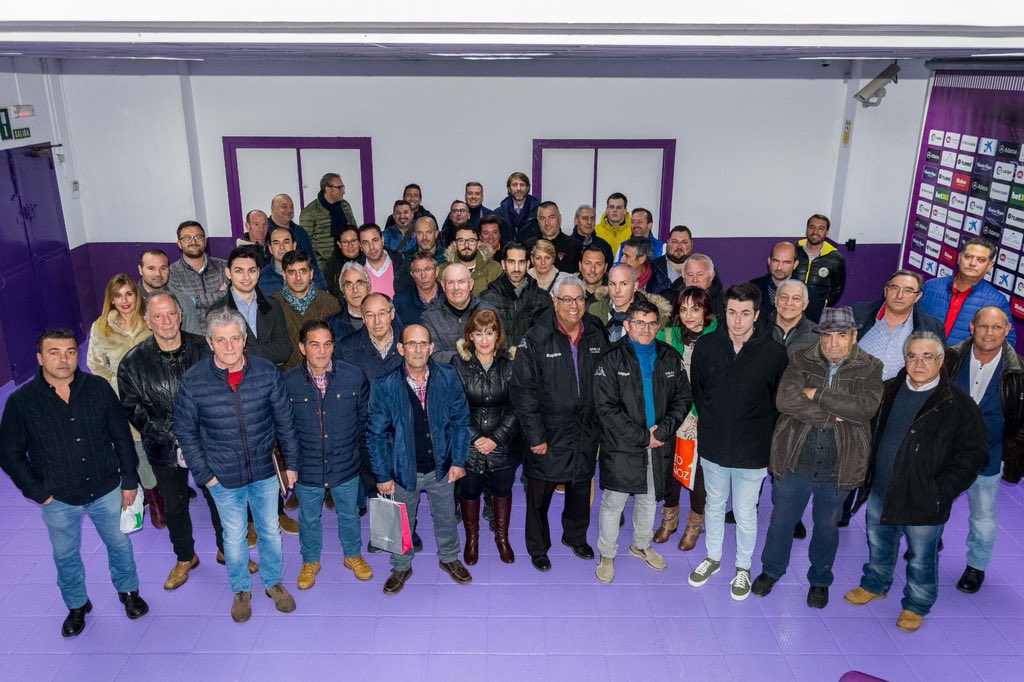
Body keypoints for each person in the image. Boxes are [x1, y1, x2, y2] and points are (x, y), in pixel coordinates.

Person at [0, 328, 149, 637]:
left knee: (119, 544)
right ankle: (77, 605)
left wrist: (129, 480)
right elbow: (9, 453)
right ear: (40, 358)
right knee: (65, 555)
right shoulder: (21, 402)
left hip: (106, 487)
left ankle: (129, 592)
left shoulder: (97, 388)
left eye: (69, 351)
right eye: (54, 353)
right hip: (59, 498)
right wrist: (37, 492)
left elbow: (122, 437)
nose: (64, 359)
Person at [845, 331, 987, 632]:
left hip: (925, 500)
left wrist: (941, 491)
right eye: (912, 355)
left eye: (928, 356)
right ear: (905, 358)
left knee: (922, 558)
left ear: (941, 361)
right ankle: (875, 584)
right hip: (882, 490)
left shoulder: (958, 403)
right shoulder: (889, 389)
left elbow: (973, 455)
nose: (919, 363)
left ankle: (916, 604)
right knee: (879, 544)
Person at [173, 308, 302, 623]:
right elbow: (185, 431)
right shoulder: (194, 381)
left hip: (264, 471)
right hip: (222, 476)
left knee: (270, 530)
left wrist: (291, 464)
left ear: (244, 340)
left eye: (235, 338)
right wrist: (206, 476)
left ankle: (272, 583)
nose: (229, 346)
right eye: (221, 340)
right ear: (210, 342)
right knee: (233, 536)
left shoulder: (266, 371)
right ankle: (241, 589)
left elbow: (285, 420)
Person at [118, 293, 252, 590]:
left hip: (209, 441)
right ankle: (184, 557)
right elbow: (133, 408)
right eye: (158, 316)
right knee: (175, 507)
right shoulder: (132, 363)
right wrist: (175, 435)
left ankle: (227, 550)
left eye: (171, 314)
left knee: (220, 500)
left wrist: (197, 434)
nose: (166, 321)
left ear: (180, 314)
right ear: (147, 320)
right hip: (163, 447)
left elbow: (226, 388)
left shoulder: (204, 349)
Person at [752, 307, 884, 609]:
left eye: (841, 336)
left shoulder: (870, 367)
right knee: (781, 522)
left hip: (840, 467)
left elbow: (864, 408)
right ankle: (771, 570)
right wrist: (829, 417)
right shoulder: (800, 359)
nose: (833, 343)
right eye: (827, 336)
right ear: (819, 336)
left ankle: (820, 580)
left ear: (854, 336)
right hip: (794, 459)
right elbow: (785, 399)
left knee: (826, 528)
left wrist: (816, 393)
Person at [687, 283, 787, 600]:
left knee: (745, 513)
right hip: (714, 445)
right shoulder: (706, 347)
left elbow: (776, 401)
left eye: (745, 313)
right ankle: (713, 558)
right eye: (731, 312)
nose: (737, 320)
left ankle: (743, 568)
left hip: (752, 450)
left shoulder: (773, 353)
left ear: (756, 315)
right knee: (713, 506)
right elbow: (699, 393)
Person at [510, 276, 610, 572]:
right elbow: (522, 391)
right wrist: (535, 435)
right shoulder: (535, 338)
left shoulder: (595, 331)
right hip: (547, 434)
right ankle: (538, 548)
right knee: (539, 496)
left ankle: (576, 537)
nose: (574, 306)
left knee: (580, 489)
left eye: (579, 299)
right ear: (554, 301)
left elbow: (606, 380)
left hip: (585, 430)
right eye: (566, 299)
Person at [368, 324, 473, 595]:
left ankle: (449, 557)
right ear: (400, 348)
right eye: (411, 344)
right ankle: (401, 565)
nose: (417, 349)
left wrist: (459, 461)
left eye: (422, 343)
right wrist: (383, 475)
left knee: (447, 517)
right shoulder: (385, 386)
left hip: (442, 467)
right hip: (404, 470)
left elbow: (461, 421)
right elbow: (376, 435)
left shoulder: (448, 377)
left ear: (431, 347)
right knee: (401, 521)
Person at [593, 300, 692, 583]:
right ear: (626, 325)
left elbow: (683, 398)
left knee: (649, 499)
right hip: (623, 444)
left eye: (651, 323)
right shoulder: (611, 359)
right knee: (614, 502)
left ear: (658, 327)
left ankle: (640, 544)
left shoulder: (669, 356)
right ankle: (607, 553)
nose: (645, 329)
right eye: (638, 323)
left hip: (659, 443)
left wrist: (661, 432)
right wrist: (641, 436)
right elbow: (606, 407)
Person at [284, 320, 373, 589]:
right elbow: (283, 427)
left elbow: (364, 420)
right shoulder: (287, 383)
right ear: (302, 348)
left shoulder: (353, 376)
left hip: (345, 463)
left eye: (327, 344)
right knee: (309, 517)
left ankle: (352, 555)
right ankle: (310, 560)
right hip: (307, 466)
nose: (322, 351)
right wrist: (291, 464)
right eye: (314, 344)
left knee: (349, 513)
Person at [942, 307, 1024, 594]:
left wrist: (1005, 451)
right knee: (934, 502)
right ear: (972, 327)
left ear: (1007, 330)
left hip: (988, 458)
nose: (989, 333)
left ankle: (975, 567)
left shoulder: (1019, 372)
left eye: (997, 327)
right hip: (945, 453)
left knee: (984, 516)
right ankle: (926, 545)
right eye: (984, 326)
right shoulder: (948, 358)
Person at [86, 274, 162, 527]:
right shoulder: (101, 327)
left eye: (129, 294)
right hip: (122, 401)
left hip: (155, 397)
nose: (124, 300)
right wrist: (117, 388)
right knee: (137, 448)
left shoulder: (149, 320)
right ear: (111, 299)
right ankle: (155, 501)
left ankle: (168, 491)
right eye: (118, 296)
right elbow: (96, 365)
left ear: (136, 294)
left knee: (161, 445)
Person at [453, 310, 522, 565]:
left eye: (489, 333)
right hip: (468, 444)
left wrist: (495, 438)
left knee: (503, 490)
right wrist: (475, 438)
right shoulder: (457, 363)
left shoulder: (511, 363)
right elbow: (454, 406)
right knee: (469, 491)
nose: (484, 340)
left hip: (503, 443)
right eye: (479, 333)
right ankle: (472, 539)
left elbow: (518, 406)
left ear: (498, 335)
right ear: (470, 335)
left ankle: (501, 538)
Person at [653, 286, 719, 550]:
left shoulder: (719, 339)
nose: (689, 315)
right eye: (683, 309)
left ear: (706, 311)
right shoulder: (667, 336)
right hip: (672, 416)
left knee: (697, 475)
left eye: (695, 308)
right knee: (670, 469)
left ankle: (694, 524)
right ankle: (669, 520)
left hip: (703, 419)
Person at [918, 237, 1015, 346]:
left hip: (961, 361)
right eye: (968, 257)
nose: (973, 263)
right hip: (922, 357)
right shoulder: (930, 287)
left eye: (981, 260)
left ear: (989, 266)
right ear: (959, 258)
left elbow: (1008, 342)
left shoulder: (997, 301)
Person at [854, 269, 944, 380]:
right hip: (854, 391)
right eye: (894, 288)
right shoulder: (858, 314)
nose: (899, 295)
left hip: (896, 395)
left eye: (908, 290)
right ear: (886, 291)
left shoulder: (931, 328)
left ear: (918, 296)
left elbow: (934, 370)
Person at [211, 246, 292, 368]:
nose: (246, 277)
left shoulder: (272, 305)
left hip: (271, 376)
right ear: (228, 273)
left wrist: (246, 352)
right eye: (239, 271)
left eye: (252, 270)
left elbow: (284, 350)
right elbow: (218, 355)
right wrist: (266, 351)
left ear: (258, 272)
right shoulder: (217, 310)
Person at [273, 250, 341, 370]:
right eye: (292, 272)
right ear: (284, 275)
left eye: (303, 271)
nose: (298, 278)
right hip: (287, 376)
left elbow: (337, 344)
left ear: (311, 273)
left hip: (324, 373)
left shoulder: (329, 302)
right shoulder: (273, 304)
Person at [479, 241, 552, 347]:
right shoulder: (486, 299)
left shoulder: (543, 299)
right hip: (498, 360)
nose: (516, 268)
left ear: (527, 265)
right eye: (511, 262)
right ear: (503, 264)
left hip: (531, 361)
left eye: (521, 262)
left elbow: (547, 338)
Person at [421, 262, 495, 364]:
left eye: (461, 281)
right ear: (443, 286)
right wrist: (471, 356)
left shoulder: (488, 312)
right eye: (450, 282)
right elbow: (433, 355)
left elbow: (499, 347)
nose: (456, 287)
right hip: (448, 377)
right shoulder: (430, 317)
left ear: (471, 284)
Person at [587, 264, 671, 342]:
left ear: (635, 286)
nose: (617, 290)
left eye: (623, 284)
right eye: (612, 284)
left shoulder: (655, 316)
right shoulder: (595, 310)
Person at [167, 220, 228, 327]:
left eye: (198, 237)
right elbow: (181, 306)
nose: (193, 242)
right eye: (187, 238)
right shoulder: (172, 273)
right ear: (179, 244)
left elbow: (230, 296)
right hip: (192, 336)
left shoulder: (223, 266)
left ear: (205, 241)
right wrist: (218, 294)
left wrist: (194, 300)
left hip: (224, 332)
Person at [751, 242, 824, 323]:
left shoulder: (808, 294)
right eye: (775, 261)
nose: (779, 267)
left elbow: (813, 329)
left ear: (795, 264)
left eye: (786, 262)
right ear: (769, 261)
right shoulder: (753, 289)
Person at [137, 248, 200, 335]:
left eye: (163, 268)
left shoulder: (183, 301)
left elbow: (194, 338)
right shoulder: (128, 302)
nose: (158, 274)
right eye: (151, 268)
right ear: (140, 270)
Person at [299, 172, 357, 264]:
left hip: (348, 260)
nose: (343, 191)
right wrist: (318, 265)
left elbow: (354, 230)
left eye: (343, 187)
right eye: (339, 188)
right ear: (328, 189)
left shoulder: (345, 206)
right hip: (324, 264)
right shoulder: (310, 212)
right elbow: (304, 243)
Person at [257, 225, 329, 295]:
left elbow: (323, 301)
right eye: (276, 243)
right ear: (270, 249)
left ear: (294, 246)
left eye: (286, 242)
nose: (282, 247)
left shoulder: (314, 273)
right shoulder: (262, 278)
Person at [794, 213, 846, 308]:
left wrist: (824, 304)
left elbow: (837, 290)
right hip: (791, 305)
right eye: (812, 227)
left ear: (826, 233)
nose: (815, 231)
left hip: (816, 310)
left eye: (821, 228)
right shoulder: (794, 251)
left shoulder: (836, 259)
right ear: (806, 230)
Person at [268, 193, 321, 273]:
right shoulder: (264, 232)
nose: (289, 210)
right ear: (273, 208)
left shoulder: (300, 231)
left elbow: (312, 261)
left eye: (291, 207)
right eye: (284, 206)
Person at [441, 224, 502, 294]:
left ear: (478, 243)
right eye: (461, 241)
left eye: (471, 241)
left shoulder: (494, 269)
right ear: (454, 244)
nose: (466, 245)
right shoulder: (443, 271)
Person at [528, 201, 582, 273]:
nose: (547, 223)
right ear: (538, 221)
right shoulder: (529, 246)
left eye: (551, 217)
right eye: (542, 218)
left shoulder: (575, 246)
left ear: (559, 219)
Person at [394, 251, 443, 325]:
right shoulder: (401, 302)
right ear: (412, 275)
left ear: (436, 271)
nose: (423, 275)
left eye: (427, 269)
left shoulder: (449, 297)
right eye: (417, 271)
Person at [327, 262, 372, 342]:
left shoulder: (385, 318)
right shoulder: (330, 325)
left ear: (368, 287)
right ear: (342, 291)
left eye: (360, 283)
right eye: (349, 285)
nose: (355, 290)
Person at [769, 279, 818, 352]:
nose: (789, 303)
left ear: (805, 304)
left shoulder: (817, 335)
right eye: (784, 297)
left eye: (796, 299)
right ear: (775, 301)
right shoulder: (757, 329)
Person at [492, 171, 540, 245]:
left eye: (522, 185)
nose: (518, 189)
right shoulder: (497, 214)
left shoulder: (538, 212)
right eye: (514, 185)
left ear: (528, 188)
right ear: (509, 188)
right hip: (505, 255)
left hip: (531, 254)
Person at [322, 225, 364, 299]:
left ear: (359, 242)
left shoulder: (368, 260)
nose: (350, 245)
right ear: (339, 244)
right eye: (345, 242)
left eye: (353, 241)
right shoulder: (331, 265)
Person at [678, 253, 724, 319]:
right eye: (690, 275)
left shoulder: (724, 302)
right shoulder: (671, 300)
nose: (695, 280)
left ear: (711, 276)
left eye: (700, 275)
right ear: (683, 278)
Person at [594, 192, 631, 257]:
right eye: (611, 207)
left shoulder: (632, 232)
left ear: (625, 210)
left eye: (619, 207)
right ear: (607, 210)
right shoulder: (595, 231)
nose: (614, 210)